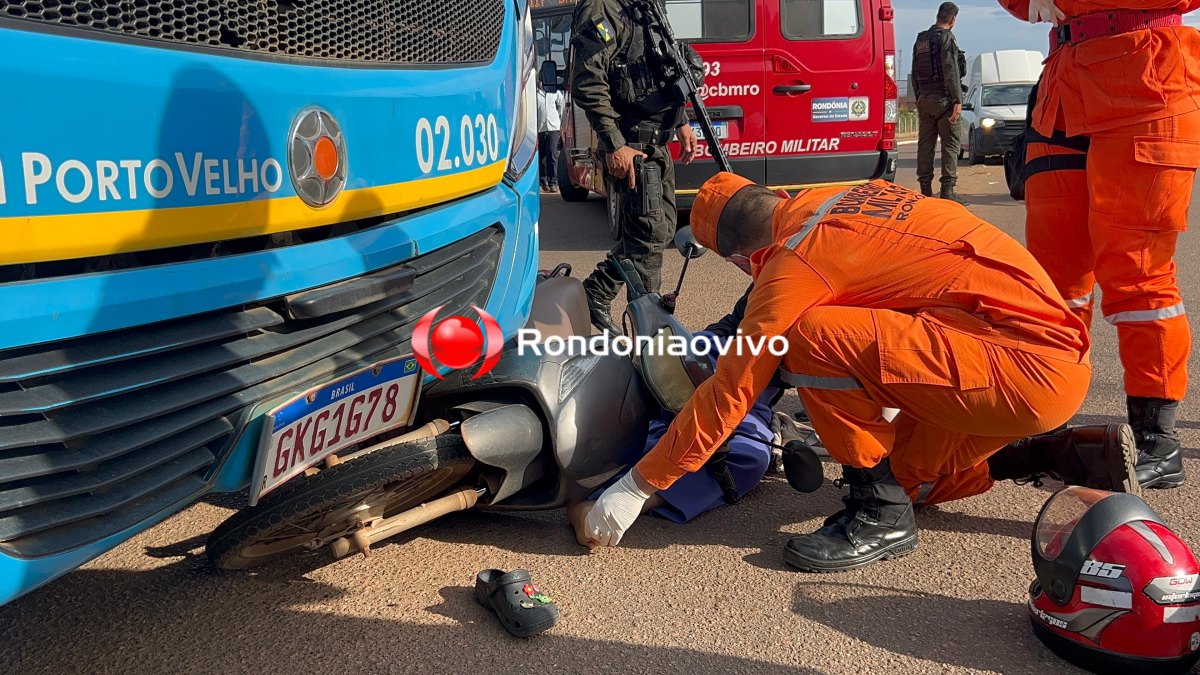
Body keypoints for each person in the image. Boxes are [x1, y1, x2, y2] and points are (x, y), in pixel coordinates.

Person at [580, 172, 1140, 573]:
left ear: (732, 258)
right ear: (773, 197)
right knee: (910, 476)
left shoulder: (793, 264)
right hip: (1042, 355)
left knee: (808, 339)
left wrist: (638, 485)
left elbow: (732, 390)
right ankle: (1051, 453)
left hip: (1018, 371)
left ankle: (878, 516)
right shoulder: (844, 197)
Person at [998, 0, 1199, 489]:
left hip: (1148, 86)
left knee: (1137, 273)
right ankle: (1047, 417)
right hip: (1062, 93)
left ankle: (1157, 438)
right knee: (1052, 284)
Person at [570, 0, 699, 335]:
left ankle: (595, 292)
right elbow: (588, 81)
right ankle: (650, 331)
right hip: (631, 145)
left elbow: (661, 67)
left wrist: (681, 120)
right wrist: (613, 143)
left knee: (660, 231)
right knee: (648, 237)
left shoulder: (647, 6)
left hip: (657, 143)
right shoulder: (603, 8)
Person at [910, 2, 970, 205]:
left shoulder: (921, 39)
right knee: (951, 144)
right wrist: (957, 101)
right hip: (944, 100)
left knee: (925, 145)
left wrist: (919, 97)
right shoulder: (947, 38)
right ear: (953, 20)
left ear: (938, 16)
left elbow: (915, 72)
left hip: (925, 99)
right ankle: (947, 190)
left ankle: (925, 190)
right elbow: (950, 71)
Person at [537, 61, 565, 193]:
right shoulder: (535, 93)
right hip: (540, 129)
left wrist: (558, 119)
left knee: (552, 156)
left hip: (553, 127)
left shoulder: (555, 93)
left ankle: (553, 182)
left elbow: (562, 105)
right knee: (541, 157)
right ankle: (543, 181)